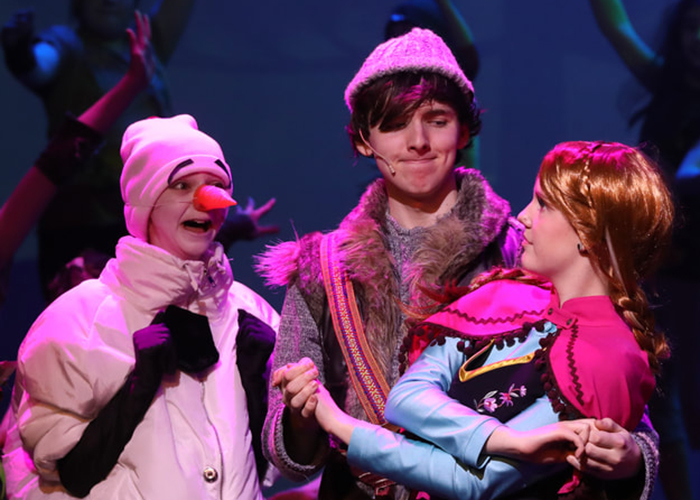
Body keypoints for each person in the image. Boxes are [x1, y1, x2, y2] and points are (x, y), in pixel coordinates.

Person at [256, 28, 659, 500]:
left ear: (464, 129)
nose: (418, 141)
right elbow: (286, 451)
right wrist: (303, 416)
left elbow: (609, 390)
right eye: (394, 124)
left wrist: (632, 457)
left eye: (437, 120)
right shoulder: (321, 268)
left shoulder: (522, 249)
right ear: (364, 140)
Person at [310, 140, 674, 500]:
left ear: (588, 232)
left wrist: (341, 425)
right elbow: (405, 397)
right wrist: (509, 440)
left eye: (544, 205)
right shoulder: (506, 296)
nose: (523, 216)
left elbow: (471, 484)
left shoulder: (603, 359)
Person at [1, 114, 279, 499]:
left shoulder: (252, 313)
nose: (208, 199)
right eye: (182, 185)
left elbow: (271, 464)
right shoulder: (77, 321)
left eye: (217, 185)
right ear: (147, 201)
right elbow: (64, 476)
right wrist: (138, 385)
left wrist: (257, 386)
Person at [1, 0, 193, 298]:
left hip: (140, 222)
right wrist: (20, 51)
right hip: (79, 226)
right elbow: (39, 66)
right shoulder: (67, 43)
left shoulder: (149, 40)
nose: (109, 1)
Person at [588, 2, 700, 498]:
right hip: (660, 273)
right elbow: (614, 24)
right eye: (692, 28)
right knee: (660, 398)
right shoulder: (666, 84)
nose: (697, 39)